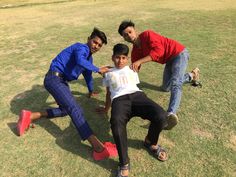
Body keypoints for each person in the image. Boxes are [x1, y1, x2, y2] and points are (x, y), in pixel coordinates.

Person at [17, 27, 117, 161]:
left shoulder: (89, 60)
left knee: (66, 109)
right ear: (89, 39)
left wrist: (90, 90)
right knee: (75, 109)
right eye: (95, 42)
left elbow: (87, 75)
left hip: (60, 81)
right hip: (54, 79)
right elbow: (80, 61)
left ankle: (31, 116)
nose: (96, 46)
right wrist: (98, 69)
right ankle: (97, 147)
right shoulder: (80, 48)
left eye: (99, 45)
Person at [96, 43, 168, 177]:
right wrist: (106, 109)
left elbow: (135, 83)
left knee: (162, 116)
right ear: (112, 57)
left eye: (124, 58)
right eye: (117, 57)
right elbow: (108, 93)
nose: (120, 61)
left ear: (127, 59)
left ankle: (150, 142)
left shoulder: (131, 69)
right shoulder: (107, 73)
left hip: (137, 96)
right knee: (116, 123)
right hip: (119, 100)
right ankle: (124, 163)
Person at [118, 20, 200, 130]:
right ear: (124, 38)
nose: (129, 35)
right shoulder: (135, 51)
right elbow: (134, 69)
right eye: (125, 35)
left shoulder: (148, 35)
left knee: (176, 84)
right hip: (169, 60)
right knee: (166, 88)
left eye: (130, 32)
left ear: (134, 30)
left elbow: (159, 52)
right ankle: (191, 75)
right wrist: (125, 82)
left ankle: (170, 115)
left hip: (179, 53)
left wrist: (139, 61)